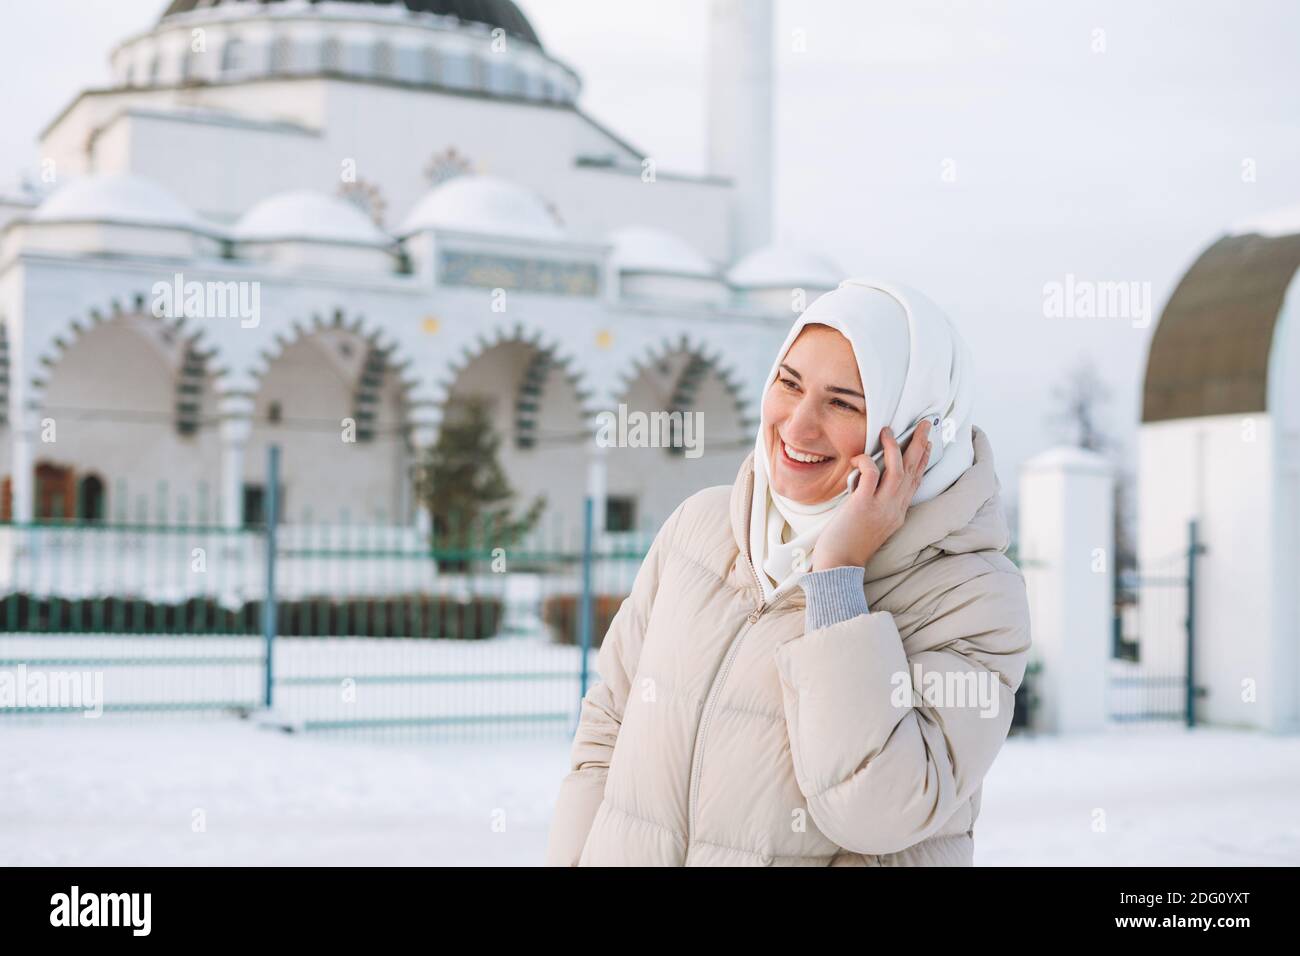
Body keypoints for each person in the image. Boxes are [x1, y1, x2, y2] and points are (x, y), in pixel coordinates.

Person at [544, 278, 1031, 866]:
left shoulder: (973, 597)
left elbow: (876, 812)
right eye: (789, 383)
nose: (798, 426)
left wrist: (837, 578)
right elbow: (605, 735)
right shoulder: (700, 529)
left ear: (913, 430)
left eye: (843, 402)